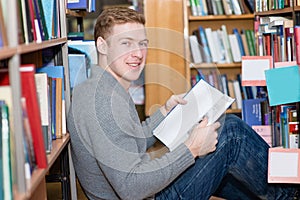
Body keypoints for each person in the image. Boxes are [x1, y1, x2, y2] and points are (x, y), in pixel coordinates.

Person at [67, 7, 299, 200]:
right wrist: (192, 148)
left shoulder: (102, 87)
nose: (138, 53)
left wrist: (165, 113)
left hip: (146, 192)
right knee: (231, 133)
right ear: (102, 46)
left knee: (228, 167)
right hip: (148, 196)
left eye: (142, 43)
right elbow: (132, 187)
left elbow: (131, 140)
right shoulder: (103, 103)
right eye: (126, 43)